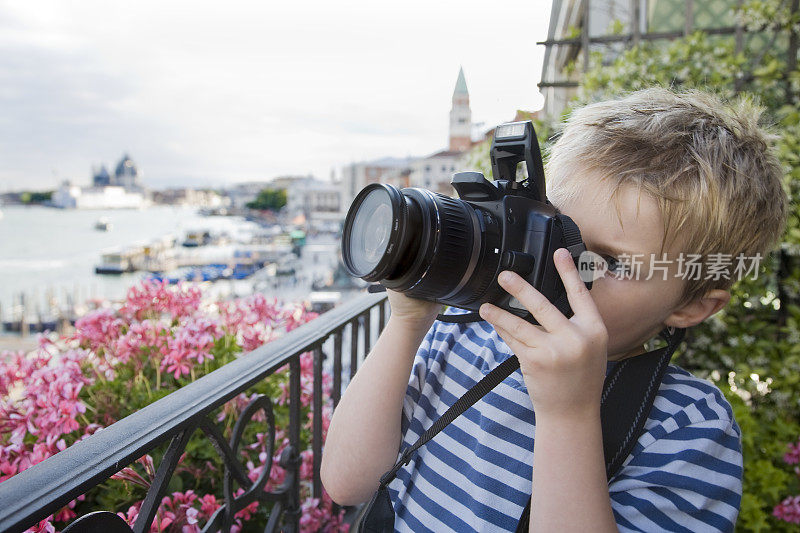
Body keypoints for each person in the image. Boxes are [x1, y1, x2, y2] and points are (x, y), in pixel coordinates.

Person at [320, 87, 788, 532]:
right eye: (550, 230)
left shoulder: (687, 424)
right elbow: (347, 481)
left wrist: (569, 415)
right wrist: (407, 323)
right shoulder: (462, 334)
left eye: (607, 261)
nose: (555, 264)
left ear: (691, 306)